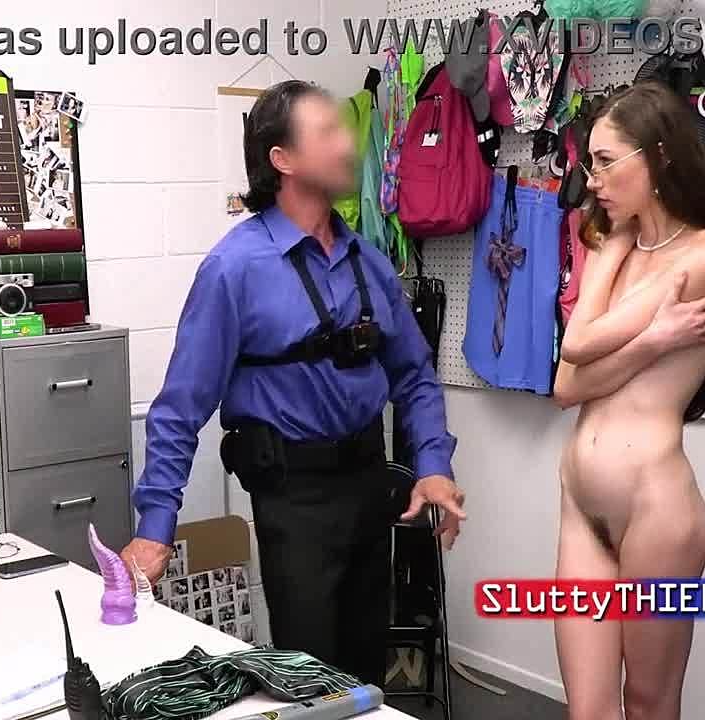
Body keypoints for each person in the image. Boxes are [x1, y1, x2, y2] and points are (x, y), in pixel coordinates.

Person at [118, 80, 466, 686]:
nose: (348, 144)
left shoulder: (369, 262)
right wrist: (155, 530)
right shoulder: (234, 268)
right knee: (312, 680)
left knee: (366, 679)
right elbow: (179, 409)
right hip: (293, 498)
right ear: (282, 159)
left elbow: (414, 376)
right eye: (327, 132)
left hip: (370, 486)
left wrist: (433, 465)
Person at [552, 81, 705, 720]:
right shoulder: (614, 244)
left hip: (656, 511)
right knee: (588, 710)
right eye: (590, 163)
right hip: (581, 503)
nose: (593, 180)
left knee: (648, 703)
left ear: (658, 155)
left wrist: (625, 336)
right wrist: (655, 336)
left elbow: (581, 344)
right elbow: (565, 384)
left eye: (606, 161)